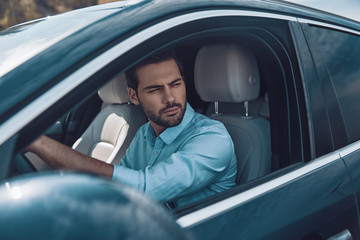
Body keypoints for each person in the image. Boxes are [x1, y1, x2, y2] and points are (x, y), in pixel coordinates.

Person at [27, 50, 237, 208]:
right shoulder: (143, 135)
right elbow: (118, 190)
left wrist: (40, 143)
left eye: (176, 84)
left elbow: (145, 189)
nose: (170, 98)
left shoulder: (213, 138)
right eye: (155, 89)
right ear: (134, 96)